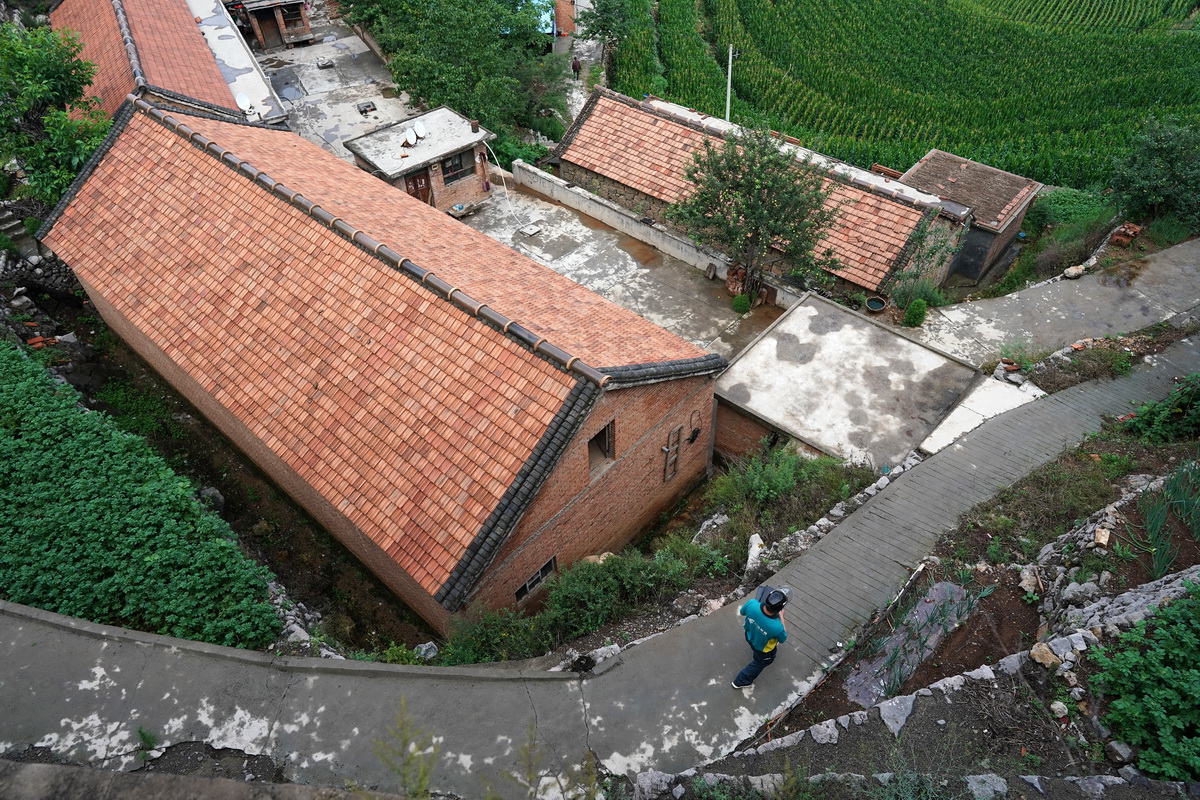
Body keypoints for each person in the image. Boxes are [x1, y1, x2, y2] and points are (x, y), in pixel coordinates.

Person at [732, 588, 787, 688]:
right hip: (763, 650)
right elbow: (783, 639)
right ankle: (741, 681)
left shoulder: (752, 603)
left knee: (754, 645)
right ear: (779, 610)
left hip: (749, 636)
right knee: (760, 663)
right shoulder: (777, 627)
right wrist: (782, 617)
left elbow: (742, 612)